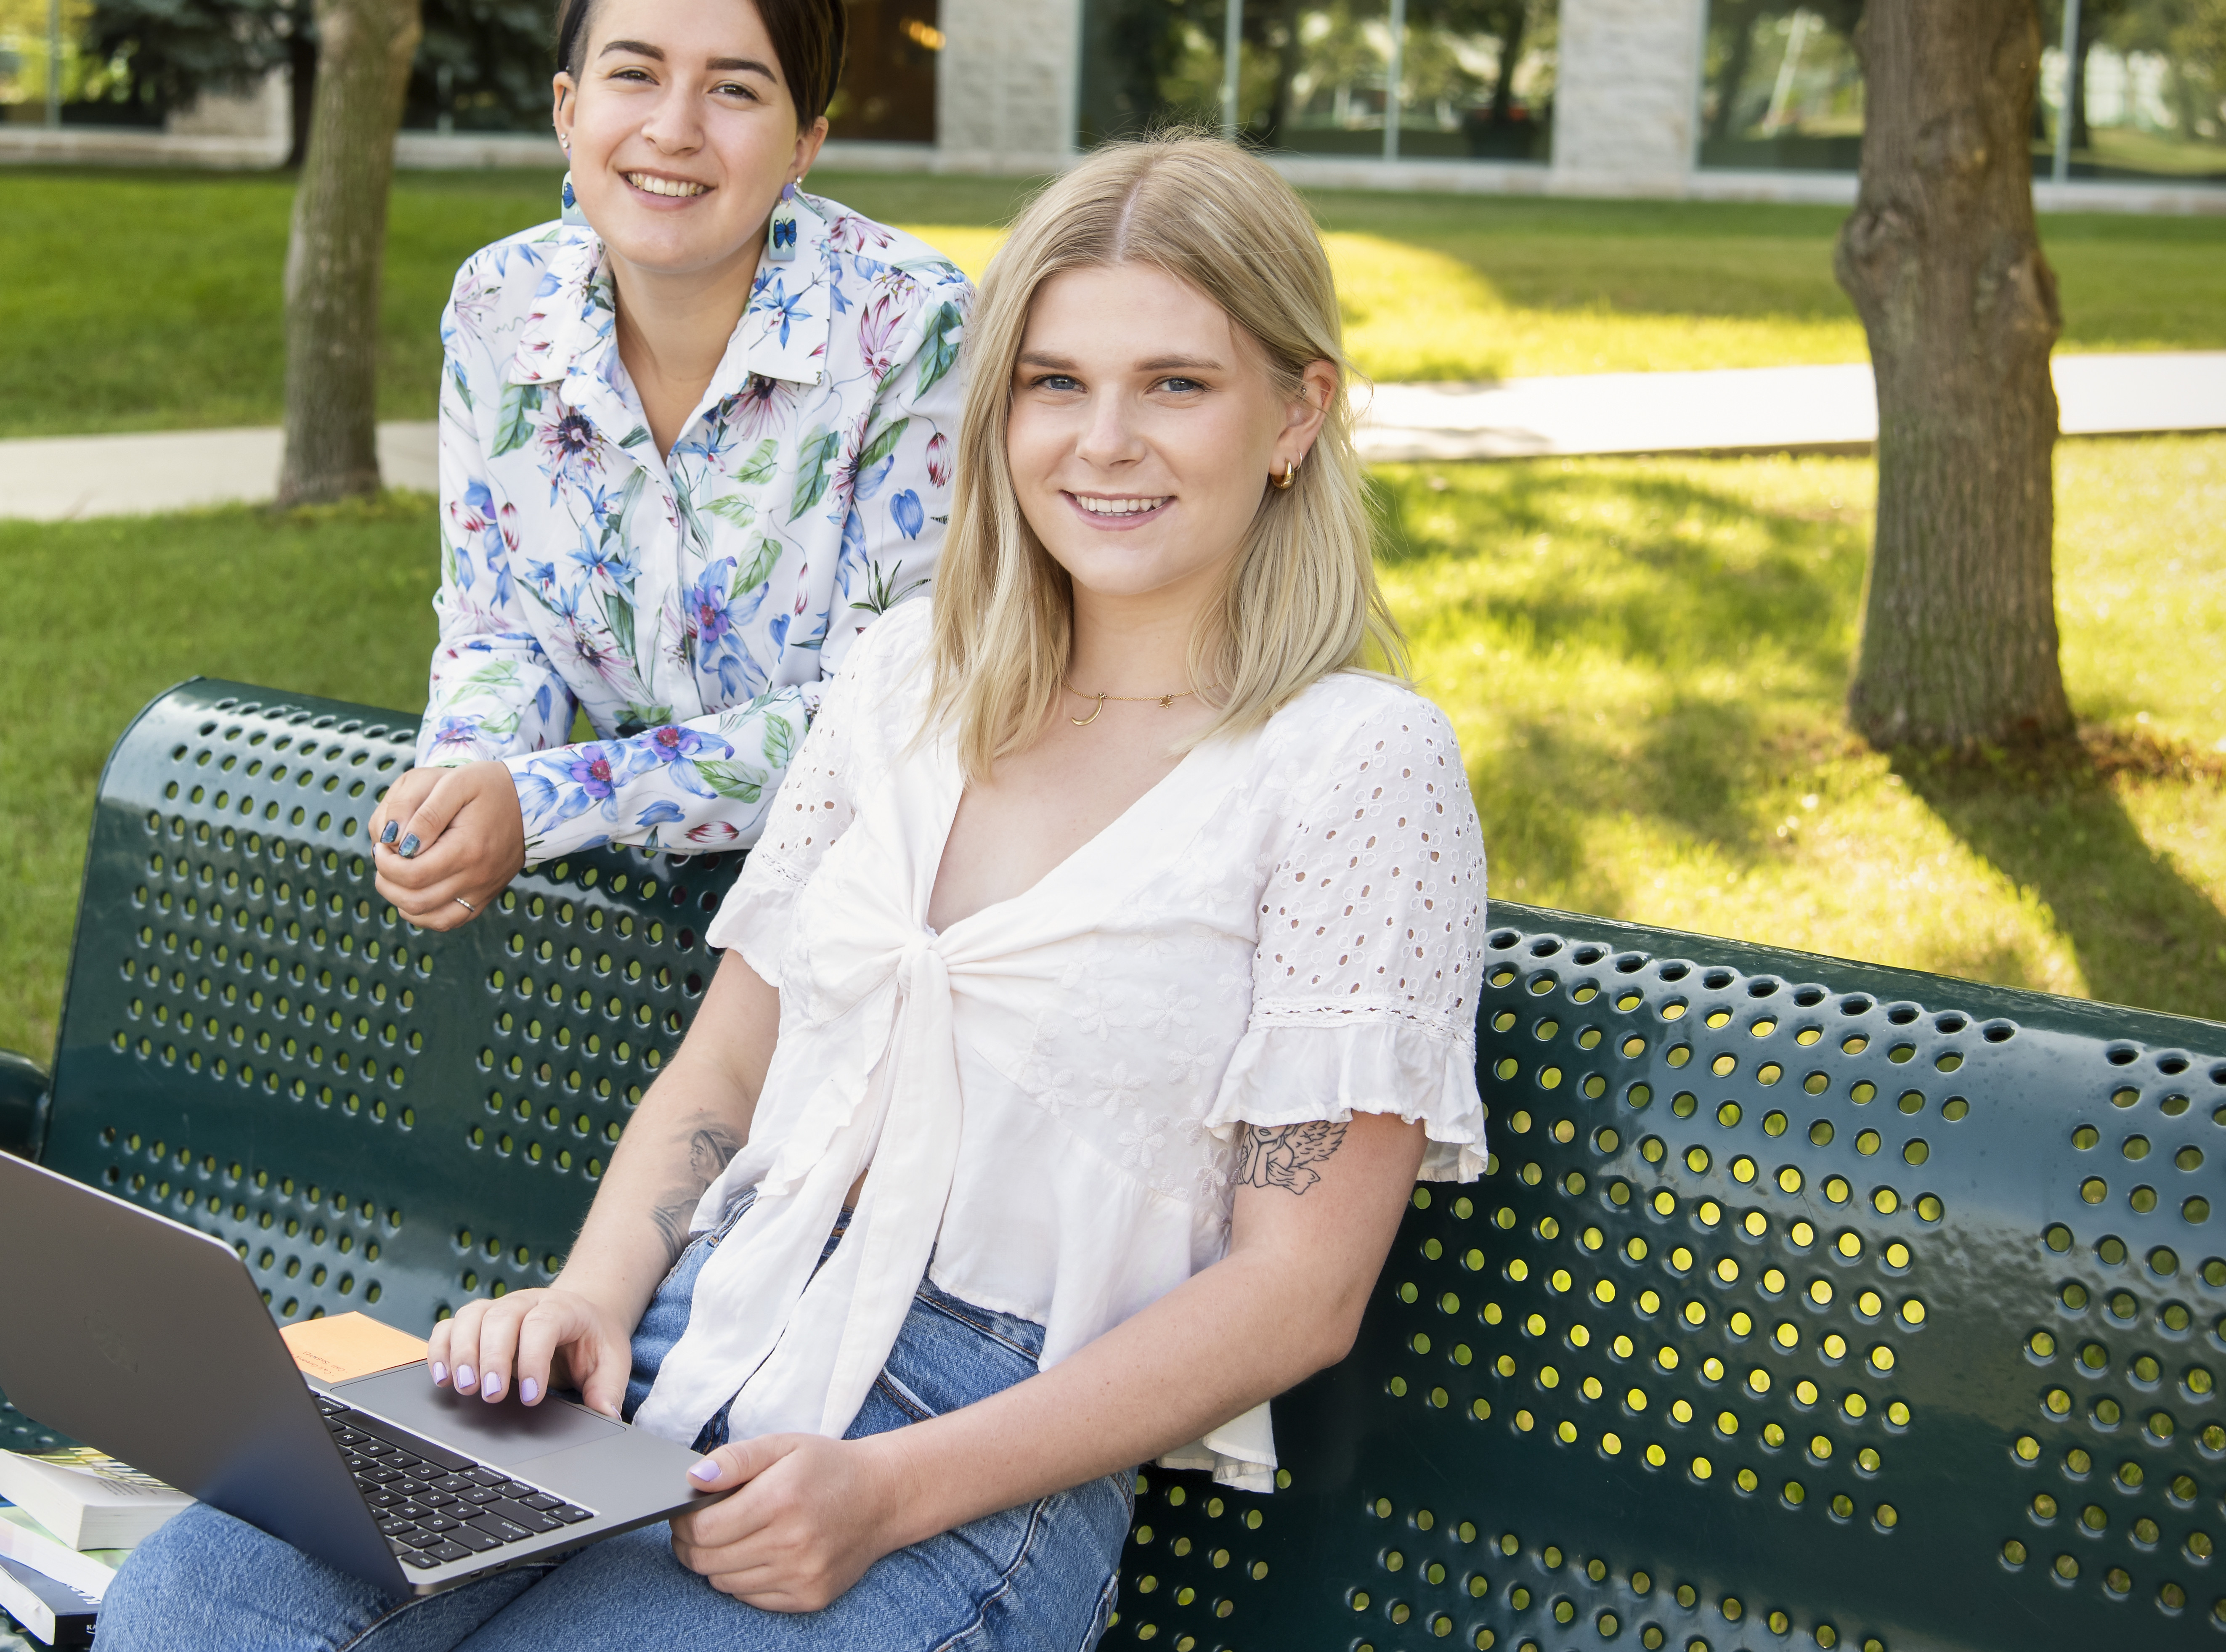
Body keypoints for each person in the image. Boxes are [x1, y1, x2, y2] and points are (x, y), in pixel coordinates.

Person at [98, 136, 1489, 1651]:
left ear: (1296, 412)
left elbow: (1295, 1292)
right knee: (197, 1598)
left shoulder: (1354, 768)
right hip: (689, 1332)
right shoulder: (906, 683)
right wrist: (585, 1302)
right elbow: (732, 1063)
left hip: (969, 1439)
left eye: (1175, 384)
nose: (1102, 441)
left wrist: (888, 1493)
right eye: (1051, 383)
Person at [369, 0, 971, 934]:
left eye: (734, 89)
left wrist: (552, 801)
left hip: (853, 913)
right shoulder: (497, 305)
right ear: (568, 109)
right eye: (634, 73)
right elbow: (498, 623)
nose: (673, 127)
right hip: (594, 912)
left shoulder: (909, 327)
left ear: (803, 143)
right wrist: (464, 779)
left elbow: (874, 714)